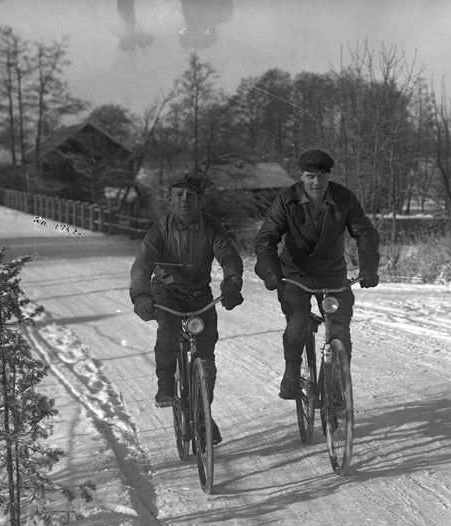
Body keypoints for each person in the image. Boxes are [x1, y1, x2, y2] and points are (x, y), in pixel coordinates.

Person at [254, 149, 381, 400]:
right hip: (294, 274)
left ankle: (331, 385)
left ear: (329, 176)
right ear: (300, 175)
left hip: (332, 275)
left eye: (322, 176)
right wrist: (270, 270)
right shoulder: (286, 199)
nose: (317, 182)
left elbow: (365, 232)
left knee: (340, 332)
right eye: (311, 176)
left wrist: (368, 267)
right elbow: (267, 237)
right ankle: (291, 374)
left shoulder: (343, 198)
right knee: (298, 323)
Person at [130, 172, 244, 443]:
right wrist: (141, 295)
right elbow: (143, 264)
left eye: (190, 196)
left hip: (199, 294)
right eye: (179, 195)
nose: (185, 200)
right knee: (168, 329)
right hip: (167, 292)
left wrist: (232, 283)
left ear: (199, 200)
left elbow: (229, 255)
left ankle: (203, 413)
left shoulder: (211, 226)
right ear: (170, 199)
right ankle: (166, 386)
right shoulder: (160, 229)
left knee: (206, 354)